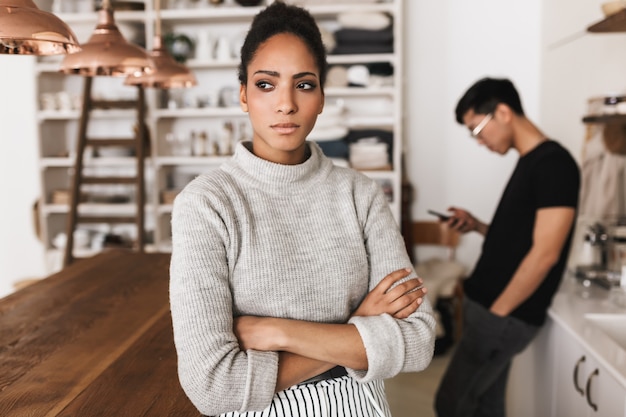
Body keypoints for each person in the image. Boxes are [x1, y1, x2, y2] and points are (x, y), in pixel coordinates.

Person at [169, 2, 436, 416]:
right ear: (243, 94)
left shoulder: (360, 195)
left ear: (323, 97)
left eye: (304, 84)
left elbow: (418, 341)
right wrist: (356, 329)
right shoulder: (207, 204)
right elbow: (214, 387)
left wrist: (276, 332)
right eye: (265, 84)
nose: (286, 104)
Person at [434, 77, 580, 417]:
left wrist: (497, 314)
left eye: (477, 129)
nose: (478, 141)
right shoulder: (530, 161)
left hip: (502, 314)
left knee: (451, 404)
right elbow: (521, 238)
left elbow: (545, 254)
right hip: (490, 308)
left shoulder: (554, 164)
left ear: (503, 112)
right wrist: (477, 225)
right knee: (485, 405)